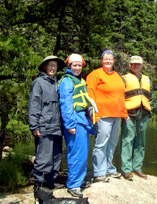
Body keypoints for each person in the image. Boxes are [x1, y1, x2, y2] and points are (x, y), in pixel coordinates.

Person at [86, 50, 127, 183]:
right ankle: (98, 172)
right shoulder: (95, 75)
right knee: (101, 144)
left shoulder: (117, 76)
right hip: (102, 114)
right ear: (101, 61)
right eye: (105, 59)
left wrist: (124, 112)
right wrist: (94, 114)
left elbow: (121, 96)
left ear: (114, 61)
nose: (108, 61)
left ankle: (109, 168)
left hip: (117, 115)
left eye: (110, 59)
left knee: (112, 142)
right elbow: (90, 96)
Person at [28, 55, 66, 201]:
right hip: (43, 126)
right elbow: (34, 105)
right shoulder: (38, 83)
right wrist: (34, 125)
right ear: (45, 67)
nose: (52, 68)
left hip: (57, 126)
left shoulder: (58, 82)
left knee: (56, 157)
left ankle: (50, 183)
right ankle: (38, 186)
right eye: (50, 65)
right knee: (43, 158)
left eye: (55, 66)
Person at [58, 53, 95, 198]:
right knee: (76, 153)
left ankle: (78, 181)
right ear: (69, 66)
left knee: (83, 152)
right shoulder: (67, 81)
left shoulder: (80, 80)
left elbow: (83, 99)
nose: (77, 68)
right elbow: (66, 105)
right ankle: (73, 185)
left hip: (82, 120)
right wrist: (70, 125)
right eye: (75, 65)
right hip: (75, 122)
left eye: (79, 65)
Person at [120, 56, 154, 181]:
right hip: (129, 113)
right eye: (133, 64)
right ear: (130, 65)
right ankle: (126, 169)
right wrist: (124, 113)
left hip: (144, 114)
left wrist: (150, 110)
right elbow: (119, 97)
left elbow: (151, 97)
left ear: (142, 65)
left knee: (140, 142)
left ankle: (137, 167)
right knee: (127, 140)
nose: (136, 66)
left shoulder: (147, 79)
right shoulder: (124, 79)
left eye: (138, 64)